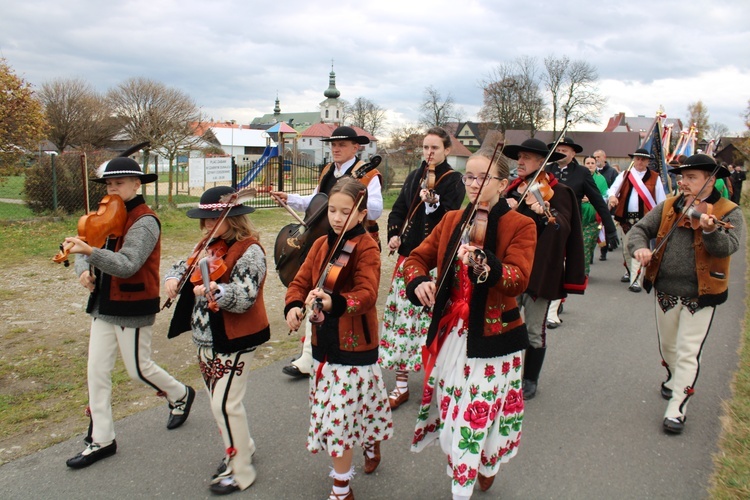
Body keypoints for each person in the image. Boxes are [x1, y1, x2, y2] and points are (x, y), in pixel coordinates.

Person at [404, 145, 537, 499]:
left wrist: (487, 264)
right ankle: (475, 462)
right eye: (470, 176)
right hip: (452, 335)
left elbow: (517, 279)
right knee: (451, 414)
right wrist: (418, 281)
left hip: (495, 339)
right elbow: (415, 258)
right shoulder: (451, 221)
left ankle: (470, 478)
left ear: (503, 183)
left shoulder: (520, 225)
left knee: (475, 418)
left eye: (484, 177)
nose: (475, 184)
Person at [63, 157, 195, 469]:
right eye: (108, 184)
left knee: (138, 369)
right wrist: (83, 268)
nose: (111, 189)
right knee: (96, 371)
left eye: (119, 183)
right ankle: (102, 438)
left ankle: (180, 394)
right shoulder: (106, 213)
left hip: (132, 305)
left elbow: (127, 263)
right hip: (103, 304)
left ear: (137, 184)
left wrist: (90, 253)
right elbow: (86, 242)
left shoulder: (145, 221)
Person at [285, 177, 393, 500]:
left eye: (345, 212)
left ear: (360, 215)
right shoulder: (320, 245)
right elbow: (300, 281)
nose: (335, 218)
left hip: (355, 345)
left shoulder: (367, 247)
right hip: (323, 346)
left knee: (346, 418)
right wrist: (293, 305)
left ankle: (341, 489)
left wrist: (337, 302)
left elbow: (368, 293)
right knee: (338, 417)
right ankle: (358, 454)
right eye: (332, 210)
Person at [628, 154, 745, 435]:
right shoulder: (670, 205)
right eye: (682, 177)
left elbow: (727, 247)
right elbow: (639, 229)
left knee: (688, 352)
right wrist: (640, 248)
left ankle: (677, 408)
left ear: (711, 179)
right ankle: (672, 378)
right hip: (666, 290)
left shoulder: (729, 211)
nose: (684, 182)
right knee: (669, 349)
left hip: (701, 294)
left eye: (691, 177)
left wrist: (710, 231)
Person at [164, 186, 269, 495]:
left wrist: (220, 293)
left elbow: (246, 295)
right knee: (221, 402)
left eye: (214, 218)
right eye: (205, 220)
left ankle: (241, 471)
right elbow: (184, 266)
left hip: (235, 338)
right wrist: (172, 278)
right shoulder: (208, 246)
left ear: (234, 217)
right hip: (205, 339)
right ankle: (242, 447)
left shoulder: (251, 251)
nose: (208, 225)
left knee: (224, 403)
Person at [273, 126, 383, 379]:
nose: (335, 148)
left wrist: (353, 202)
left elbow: (375, 209)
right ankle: (309, 353)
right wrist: (290, 198)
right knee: (317, 285)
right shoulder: (327, 171)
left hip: (357, 240)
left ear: (356, 147)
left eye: (342, 144)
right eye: (333, 144)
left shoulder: (369, 174)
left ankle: (319, 354)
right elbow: (317, 202)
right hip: (327, 238)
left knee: (339, 290)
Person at [380, 127, 465, 410]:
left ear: (447, 150)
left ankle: (438, 383)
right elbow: (399, 209)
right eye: (426, 148)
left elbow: (452, 220)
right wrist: (394, 233)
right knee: (401, 324)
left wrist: (435, 203)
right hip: (408, 258)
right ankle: (401, 385)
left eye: (435, 148)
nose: (429, 153)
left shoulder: (453, 181)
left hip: (435, 264)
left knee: (431, 324)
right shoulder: (416, 175)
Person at [504, 139, 586, 400]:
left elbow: (563, 227)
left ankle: (530, 379)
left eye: (526, 157)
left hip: (541, 273)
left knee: (533, 331)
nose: (520, 162)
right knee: (506, 325)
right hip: (512, 270)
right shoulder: (513, 190)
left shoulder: (559, 192)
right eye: (519, 157)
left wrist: (545, 214)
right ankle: (506, 373)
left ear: (542, 162)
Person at [545, 137, 618, 323]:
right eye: (557, 149)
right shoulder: (546, 170)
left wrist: (610, 230)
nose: (560, 152)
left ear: (573, 153)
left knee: (560, 267)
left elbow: (597, 201)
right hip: (545, 227)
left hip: (569, 228)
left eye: (564, 150)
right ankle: (551, 302)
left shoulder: (582, 173)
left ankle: (552, 312)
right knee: (546, 267)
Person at [607, 148, 666, 292]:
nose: (640, 161)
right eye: (637, 159)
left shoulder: (654, 177)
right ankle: (629, 271)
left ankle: (636, 280)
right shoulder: (625, 175)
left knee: (638, 248)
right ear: (633, 160)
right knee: (627, 249)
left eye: (643, 159)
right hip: (626, 219)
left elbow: (661, 200)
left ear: (648, 161)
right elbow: (612, 190)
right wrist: (612, 197)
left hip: (644, 220)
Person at [581, 155, 609, 274]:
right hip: (579, 217)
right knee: (581, 246)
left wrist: (591, 198)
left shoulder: (601, 179)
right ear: (584, 165)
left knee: (587, 245)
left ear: (596, 164)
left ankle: (584, 272)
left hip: (593, 218)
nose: (590, 165)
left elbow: (605, 196)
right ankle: (582, 271)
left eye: (592, 163)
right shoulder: (579, 177)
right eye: (588, 163)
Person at [593, 149, 618, 261]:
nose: (596, 159)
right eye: (595, 157)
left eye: (598, 156)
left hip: (607, 205)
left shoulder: (612, 172)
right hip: (592, 205)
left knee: (604, 229)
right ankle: (589, 254)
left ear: (604, 157)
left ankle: (604, 251)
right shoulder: (591, 172)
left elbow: (615, 189)